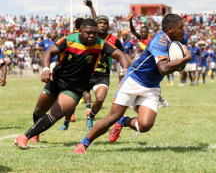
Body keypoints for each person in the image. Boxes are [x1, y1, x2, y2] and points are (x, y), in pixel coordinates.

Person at [73, 14, 192, 154]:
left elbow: (176, 61)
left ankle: (123, 122)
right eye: (181, 27)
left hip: (152, 86)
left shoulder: (182, 36)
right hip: (134, 81)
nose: (184, 30)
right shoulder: (158, 42)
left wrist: (181, 62)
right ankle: (83, 144)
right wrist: (187, 58)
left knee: (145, 125)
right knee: (112, 117)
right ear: (170, 29)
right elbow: (164, 68)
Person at [14, 19, 130, 150]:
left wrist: (124, 70)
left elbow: (121, 55)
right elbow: (49, 52)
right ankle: (36, 133)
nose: (92, 36)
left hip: (76, 87)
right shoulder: (69, 40)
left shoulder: (101, 44)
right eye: (88, 33)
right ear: (80, 31)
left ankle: (24, 137)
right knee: (39, 110)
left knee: (56, 114)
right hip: (57, 80)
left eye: (95, 33)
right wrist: (46, 69)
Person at [59, 0, 132, 131]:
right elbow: (95, 19)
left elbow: (123, 54)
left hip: (102, 75)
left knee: (100, 98)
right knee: (72, 100)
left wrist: (129, 67)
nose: (102, 25)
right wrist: (91, 7)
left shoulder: (113, 39)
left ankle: (91, 117)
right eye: (100, 23)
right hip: (85, 73)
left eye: (105, 23)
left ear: (108, 26)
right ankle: (66, 121)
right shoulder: (90, 38)